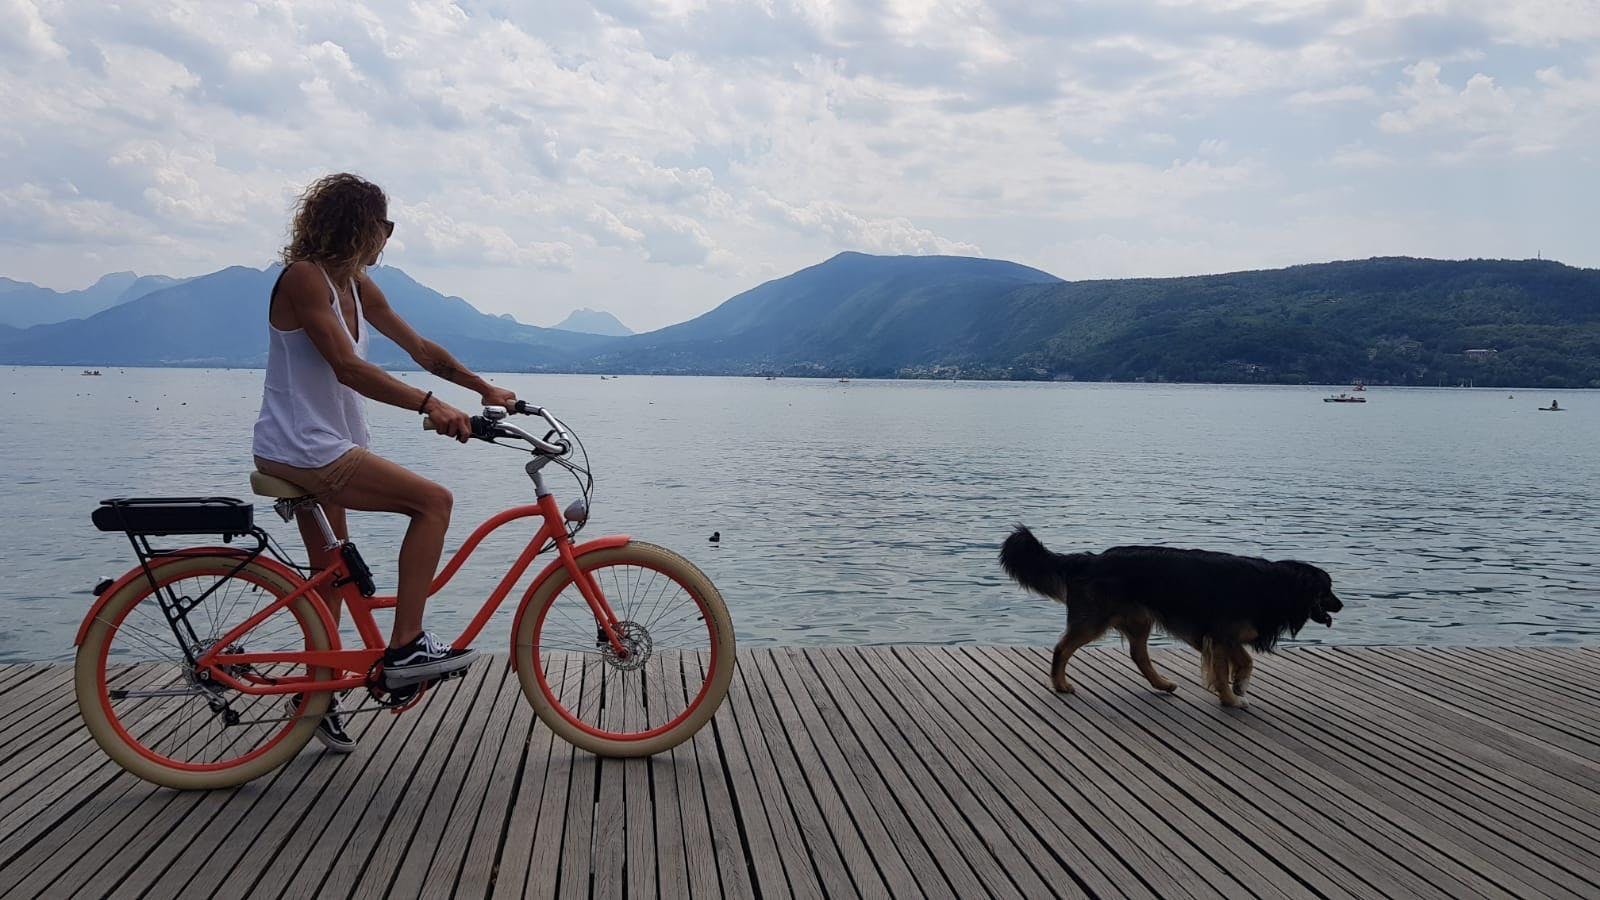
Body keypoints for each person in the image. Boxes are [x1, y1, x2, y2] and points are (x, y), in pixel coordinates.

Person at [252, 173, 516, 750]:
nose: (389, 236)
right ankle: (407, 645)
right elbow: (347, 367)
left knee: (330, 575)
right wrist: (430, 404)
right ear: (358, 225)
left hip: (322, 445)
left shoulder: (355, 284)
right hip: (306, 448)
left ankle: (315, 697)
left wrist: (480, 388)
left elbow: (419, 349)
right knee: (433, 502)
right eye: (385, 225)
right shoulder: (304, 279)